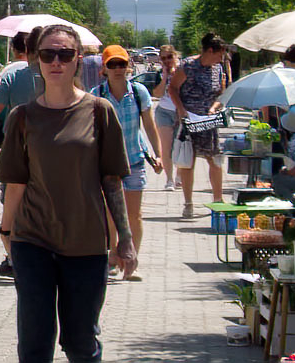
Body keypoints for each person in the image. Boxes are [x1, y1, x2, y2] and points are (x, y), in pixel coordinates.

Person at [0, 24, 135, 362]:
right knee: (34, 345)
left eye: (65, 54)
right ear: (36, 61)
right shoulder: (23, 117)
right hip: (33, 242)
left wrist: (125, 239)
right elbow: (16, 181)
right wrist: (6, 231)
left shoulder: (100, 111)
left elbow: (112, 182)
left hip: (86, 244)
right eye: (48, 54)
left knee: (81, 342)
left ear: (77, 60)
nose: (56, 61)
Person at [92, 44, 162, 278]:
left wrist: (158, 154)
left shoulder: (139, 92)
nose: (118, 69)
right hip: (108, 164)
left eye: (122, 64)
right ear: (105, 68)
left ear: (128, 66)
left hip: (134, 159)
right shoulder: (97, 94)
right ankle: (113, 256)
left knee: (134, 215)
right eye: (113, 64)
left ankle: (131, 260)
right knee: (112, 213)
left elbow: (150, 126)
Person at [0, 27, 44, 277]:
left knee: (12, 206)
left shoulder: (13, 76)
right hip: (50, 151)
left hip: (16, 149)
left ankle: (14, 259)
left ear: (24, 51)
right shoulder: (58, 77)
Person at [169, 32, 227, 218]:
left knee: (215, 160)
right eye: (219, 55)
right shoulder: (188, 66)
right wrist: (181, 110)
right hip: (189, 120)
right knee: (188, 162)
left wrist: (215, 107)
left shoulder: (218, 69)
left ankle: (218, 201)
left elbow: (221, 94)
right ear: (210, 51)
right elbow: (173, 88)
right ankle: (188, 203)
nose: (221, 59)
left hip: (209, 121)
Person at [153, 44, 180, 190]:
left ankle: (180, 175)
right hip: (164, 111)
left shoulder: (183, 71)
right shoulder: (159, 73)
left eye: (169, 57)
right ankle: (169, 180)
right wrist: (164, 77)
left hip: (181, 112)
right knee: (166, 146)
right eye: (163, 58)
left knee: (180, 146)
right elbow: (157, 94)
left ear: (175, 56)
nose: (167, 61)